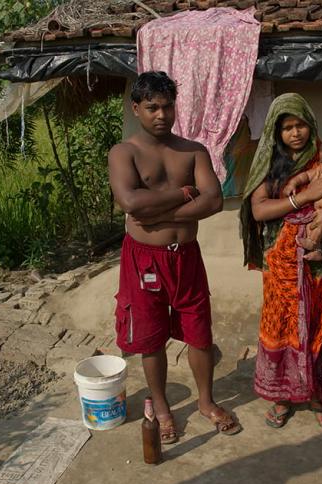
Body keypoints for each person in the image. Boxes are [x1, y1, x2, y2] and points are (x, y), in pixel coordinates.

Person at [108, 71, 241, 443]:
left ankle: (206, 401)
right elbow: (131, 202)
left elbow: (213, 199)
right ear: (136, 109)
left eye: (167, 106)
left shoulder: (193, 149)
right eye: (152, 107)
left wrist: (161, 213)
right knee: (151, 339)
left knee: (199, 334)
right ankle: (164, 408)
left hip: (185, 257)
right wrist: (184, 194)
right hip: (143, 259)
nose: (161, 115)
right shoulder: (124, 152)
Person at [240, 93, 322, 429]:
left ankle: (317, 395)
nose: (295, 133)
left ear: (310, 123)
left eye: (300, 124)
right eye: (286, 127)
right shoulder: (269, 164)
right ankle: (283, 395)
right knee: (284, 325)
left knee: (321, 323)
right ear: (276, 131)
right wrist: (304, 197)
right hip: (282, 264)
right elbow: (259, 210)